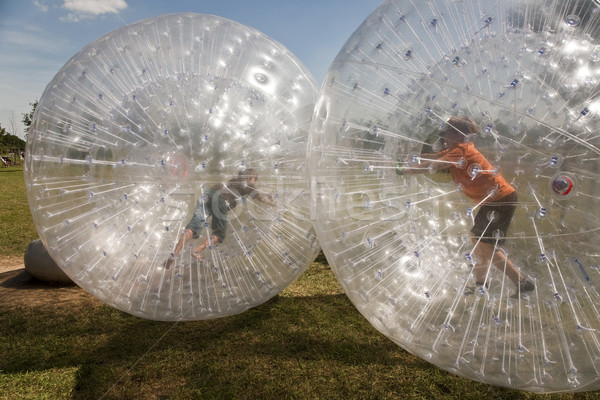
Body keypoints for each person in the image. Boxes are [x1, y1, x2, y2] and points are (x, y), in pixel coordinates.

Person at [396, 116, 535, 296]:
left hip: (500, 200)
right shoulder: (457, 149)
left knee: (486, 245)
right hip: (495, 200)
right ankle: (481, 284)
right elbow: (434, 156)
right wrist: (411, 158)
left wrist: (406, 170)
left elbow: (435, 165)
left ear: (456, 134)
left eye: (447, 131)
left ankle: (521, 281)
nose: (444, 135)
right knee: (478, 241)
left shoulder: (461, 150)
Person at [164, 168, 275, 268]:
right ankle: (197, 251)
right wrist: (273, 203)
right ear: (251, 178)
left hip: (208, 193)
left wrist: (266, 195)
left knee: (193, 226)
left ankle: (174, 253)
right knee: (219, 233)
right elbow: (261, 198)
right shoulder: (248, 184)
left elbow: (256, 193)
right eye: (255, 179)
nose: (255, 182)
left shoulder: (234, 180)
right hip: (221, 198)